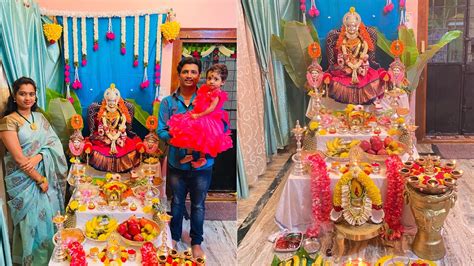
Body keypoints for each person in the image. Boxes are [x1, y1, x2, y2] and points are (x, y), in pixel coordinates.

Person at [157, 57, 221, 258]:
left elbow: (220, 125)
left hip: (203, 166)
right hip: (177, 163)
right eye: (185, 72)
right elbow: (161, 130)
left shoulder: (206, 100)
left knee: (198, 204)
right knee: (176, 202)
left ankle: (196, 242)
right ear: (179, 74)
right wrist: (176, 139)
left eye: (194, 72)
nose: (189, 76)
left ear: (199, 76)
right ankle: (174, 237)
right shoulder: (168, 103)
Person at [0, 77, 67, 265]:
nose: (27, 98)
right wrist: (40, 179)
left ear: (35, 96)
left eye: (31, 94)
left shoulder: (40, 118)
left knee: (50, 219)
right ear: (14, 96)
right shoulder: (8, 121)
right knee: (31, 225)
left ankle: (54, 259)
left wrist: (39, 157)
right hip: (25, 182)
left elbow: (53, 143)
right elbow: (20, 158)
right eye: (22, 94)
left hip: (44, 175)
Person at [167, 63, 232, 168]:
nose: (211, 81)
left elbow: (211, 109)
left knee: (203, 138)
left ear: (222, 82)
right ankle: (189, 154)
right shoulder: (205, 90)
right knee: (188, 131)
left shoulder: (217, 94)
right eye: (209, 78)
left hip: (208, 119)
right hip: (198, 114)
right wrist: (196, 102)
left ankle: (202, 158)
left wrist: (199, 115)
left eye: (216, 79)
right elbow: (200, 98)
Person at [327, 7, 384, 104]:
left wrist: (360, 62)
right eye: (349, 26)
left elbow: (365, 53)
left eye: (353, 26)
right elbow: (342, 55)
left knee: (371, 80)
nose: (351, 29)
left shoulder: (362, 42)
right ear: (346, 27)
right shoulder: (344, 42)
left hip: (360, 65)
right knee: (337, 83)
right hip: (347, 67)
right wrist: (346, 63)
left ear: (357, 27)